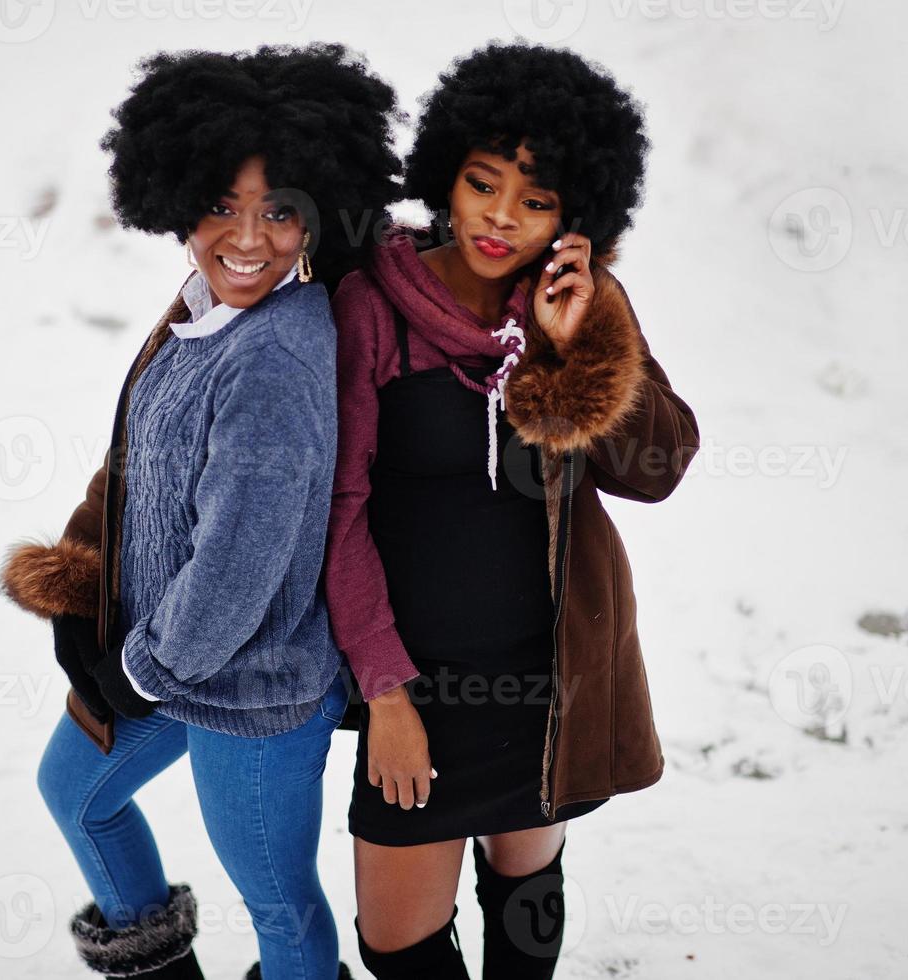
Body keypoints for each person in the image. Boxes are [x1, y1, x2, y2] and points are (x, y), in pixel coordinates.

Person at [0, 43, 400, 980]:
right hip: (173, 660)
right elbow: (143, 467)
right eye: (221, 205)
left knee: (277, 905)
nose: (248, 238)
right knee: (77, 791)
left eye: (279, 212)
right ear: (173, 196)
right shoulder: (201, 310)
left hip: (250, 691)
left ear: (315, 218)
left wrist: (134, 673)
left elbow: (236, 564)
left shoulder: (272, 359)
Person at [324, 41, 701, 979]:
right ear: (443, 178)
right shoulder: (373, 304)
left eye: (534, 201)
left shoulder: (576, 302)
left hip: (549, 672)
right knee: (397, 943)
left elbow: (654, 468)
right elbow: (340, 510)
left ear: (573, 217)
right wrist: (386, 695)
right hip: (416, 684)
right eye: (481, 184)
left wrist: (578, 350)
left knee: (526, 893)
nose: (500, 218)